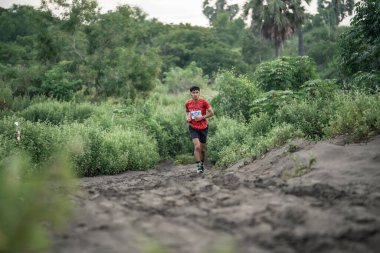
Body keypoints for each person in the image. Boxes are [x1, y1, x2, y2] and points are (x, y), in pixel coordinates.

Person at [185, 85, 214, 173]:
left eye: (197, 92)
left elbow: (212, 113)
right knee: (197, 147)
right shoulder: (188, 103)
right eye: (193, 93)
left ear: (199, 93)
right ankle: (199, 166)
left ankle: (202, 163)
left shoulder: (204, 102)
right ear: (191, 93)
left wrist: (202, 117)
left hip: (203, 127)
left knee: (203, 149)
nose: (195, 94)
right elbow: (187, 112)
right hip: (193, 127)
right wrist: (187, 117)